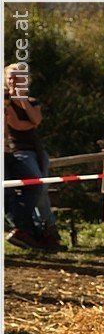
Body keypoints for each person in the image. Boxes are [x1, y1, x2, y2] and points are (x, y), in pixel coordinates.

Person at [4, 63, 64, 250]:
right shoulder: (5, 102)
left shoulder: (31, 101)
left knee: (42, 189)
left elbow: (36, 120)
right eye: (11, 77)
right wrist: (29, 120)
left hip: (37, 150)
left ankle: (46, 231)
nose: (14, 81)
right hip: (18, 151)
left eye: (18, 77)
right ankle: (33, 227)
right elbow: (18, 125)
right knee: (36, 186)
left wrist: (23, 101)